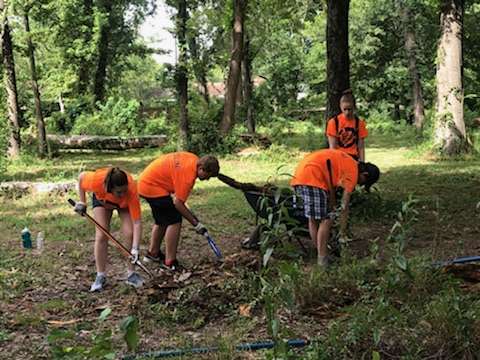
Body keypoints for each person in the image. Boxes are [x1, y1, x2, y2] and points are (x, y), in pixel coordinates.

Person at [290, 149, 379, 266]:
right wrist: (342, 231)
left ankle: (322, 252)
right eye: (362, 182)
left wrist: (332, 205)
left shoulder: (348, 162)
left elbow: (330, 183)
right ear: (364, 174)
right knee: (327, 219)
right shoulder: (353, 172)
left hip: (300, 176)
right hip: (313, 177)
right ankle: (322, 259)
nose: (359, 184)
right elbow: (344, 206)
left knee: (313, 219)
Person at [138, 152, 220, 271]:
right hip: (152, 186)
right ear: (201, 168)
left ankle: (152, 254)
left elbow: (179, 198)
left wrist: (193, 217)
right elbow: (178, 204)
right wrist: (196, 224)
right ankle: (170, 262)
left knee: (162, 220)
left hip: (146, 183)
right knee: (174, 220)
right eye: (208, 176)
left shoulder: (193, 159)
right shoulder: (188, 176)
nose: (207, 179)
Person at [74, 167, 144, 292]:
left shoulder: (131, 190)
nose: (122, 194)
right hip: (103, 202)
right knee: (101, 234)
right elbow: (81, 178)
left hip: (124, 205)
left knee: (130, 233)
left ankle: (131, 273)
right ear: (109, 187)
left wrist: (135, 249)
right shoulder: (96, 181)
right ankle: (100, 275)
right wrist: (82, 202)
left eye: (124, 190)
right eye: (119, 192)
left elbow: (137, 222)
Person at [326, 90, 368, 162]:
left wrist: (362, 163)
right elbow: (332, 148)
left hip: (353, 158)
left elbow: (361, 147)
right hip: (338, 157)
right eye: (345, 109)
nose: (347, 112)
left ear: (354, 107)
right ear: (340, 106)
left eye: (349, 109)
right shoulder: (333, 123)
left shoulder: (359, 123)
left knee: (373, 170)